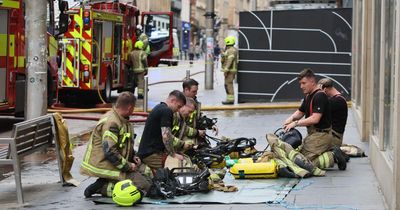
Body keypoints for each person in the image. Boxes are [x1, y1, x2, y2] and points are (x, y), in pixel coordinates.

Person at [81, 92, 152, 198]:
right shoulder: (112, 123)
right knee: (143, 187)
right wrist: (128, 166)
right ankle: (102, 187)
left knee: (148, 175)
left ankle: (107, 181)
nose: (133, 112)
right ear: (129, 107)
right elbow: (110, 151)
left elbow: (124, 144)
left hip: (117, 162)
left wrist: (133, 156)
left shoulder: (122, 120)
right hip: (105, 163)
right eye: (133, 109)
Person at [283, 68, 347, 170]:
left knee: (303, 163)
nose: (301, 86)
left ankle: (333, 156)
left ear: (312, 82)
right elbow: (300, 112)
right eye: (300, 83)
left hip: (321, 135)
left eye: (304, 83)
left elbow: (315, 119)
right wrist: (290, 119)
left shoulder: (320, 96)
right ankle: (329, 151)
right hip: (314, 134)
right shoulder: (308, 96)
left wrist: (295, 123)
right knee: (297, 156)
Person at [137, 90, 187, 170]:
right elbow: (166, 136)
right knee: (178, 166)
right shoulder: (166, 111)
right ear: (172, 101)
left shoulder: (159, 107)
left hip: (148, 152)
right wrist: (173, 154)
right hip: (151, 154)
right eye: (178, 106)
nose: (178, 110)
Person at [318, 78, 348, 147]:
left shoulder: (337, 101)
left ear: (324, 89)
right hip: (333, 136)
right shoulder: (338, 99)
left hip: (334, 138)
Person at [221, 36, 238, 105]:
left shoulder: (231, 50)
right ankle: (229, 99)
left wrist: (226, 70)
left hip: (230, 71)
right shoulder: (231, 49)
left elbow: (229, 61)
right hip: (230, 70)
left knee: (229, 85)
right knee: (227, 84)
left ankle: (230, 100)